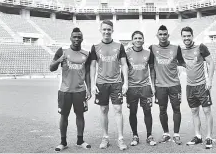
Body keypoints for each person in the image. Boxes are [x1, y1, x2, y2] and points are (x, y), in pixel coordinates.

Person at [49, 27, 92, 152]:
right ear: (70, 38)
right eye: (75, 37)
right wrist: (58, 60)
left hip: (80, 91)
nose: (77, 39)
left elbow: (88, 73)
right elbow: (51, 68)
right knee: (64, 116)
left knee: (80, 115)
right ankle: (63, 142)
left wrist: (89, 88)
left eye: (79, 37)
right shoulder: (62, 51)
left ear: (82, 39)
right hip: (64, 91)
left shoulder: (86, 54)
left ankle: (80, 140)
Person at [90, 20, 128, 151]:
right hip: (101, 83)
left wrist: (126, 83)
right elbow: (93, 66)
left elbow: (124, 64)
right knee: (103, 110)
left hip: (116, 83)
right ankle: (105, 137)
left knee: (118, 110)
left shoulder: (119, 46)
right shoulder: (95, 47)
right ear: (100, 30)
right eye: (104, 29)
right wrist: (92, 84)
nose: (106, 31)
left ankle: (121, 139)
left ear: (112, 30)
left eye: (109, 29)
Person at [149, 25, 185, 145]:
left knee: (176, 109)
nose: (163, 36)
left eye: (165, 34)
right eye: (161, 34)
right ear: (157, 35)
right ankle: (166, 134)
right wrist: (153, 85)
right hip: (160, 86)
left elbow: (182, 63)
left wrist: (180, 68)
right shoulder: (152, 48)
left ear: (168, 35)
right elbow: (151, 68)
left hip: (175, 85)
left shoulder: (176, 48)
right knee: (162, 110)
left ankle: (176, 134)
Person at [180, 26, 215, 149]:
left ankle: (209, 137)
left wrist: (209, 80)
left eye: (188, 35)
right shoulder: (181, 50)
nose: (186, 38)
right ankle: (198, 136)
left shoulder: (201, 47)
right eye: (184, 36)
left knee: (206, 111)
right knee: (194, 111)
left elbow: (211, 62)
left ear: (192, 36)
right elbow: (182, 64)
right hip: (190, 87)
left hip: (202, 85)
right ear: (182, 37)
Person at [125, 31, 157, 146]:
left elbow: (152, 70)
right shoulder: (127, 53)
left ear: (143, 40)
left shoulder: (149, 53)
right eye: (135, 38)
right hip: (132, 88)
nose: (138, 40)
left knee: (147, 111)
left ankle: (149, 136)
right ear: (132, 40)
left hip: (145, 87)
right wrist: (125, 85)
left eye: (140, 38)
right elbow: (123, 70)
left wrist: (152, 85)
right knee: (132, 112)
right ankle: (135, 136)